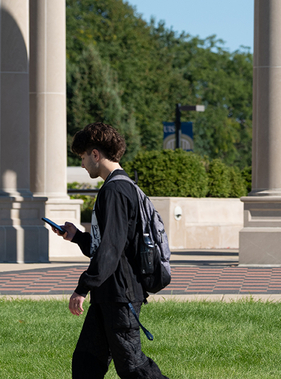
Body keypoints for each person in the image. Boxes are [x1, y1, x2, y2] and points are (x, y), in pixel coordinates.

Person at [54, 123, 168, 379]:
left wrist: (83, 286)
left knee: (133, 366)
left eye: (82, 157)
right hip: (109, 293)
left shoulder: (115, 190)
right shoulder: (119, 187)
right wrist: (78, 237)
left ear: (95, 154)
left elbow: (111, 249)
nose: (82, 164)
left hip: (120, 295)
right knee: (86, 363)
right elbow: (110, 244)